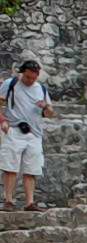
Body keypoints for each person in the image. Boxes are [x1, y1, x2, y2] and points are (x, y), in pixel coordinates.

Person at [0, 60, 55, 212]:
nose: (30, 80)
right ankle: (9, 200)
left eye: (33, 78)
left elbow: (50, 114)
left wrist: (46, 107)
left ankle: (29, 202)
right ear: (22, 73)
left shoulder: (41, 89)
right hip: (14, 129)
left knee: (32, 168)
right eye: (27, 77)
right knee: (10, 167)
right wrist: (2, 120)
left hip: (34, 133)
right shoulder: (10, 85)